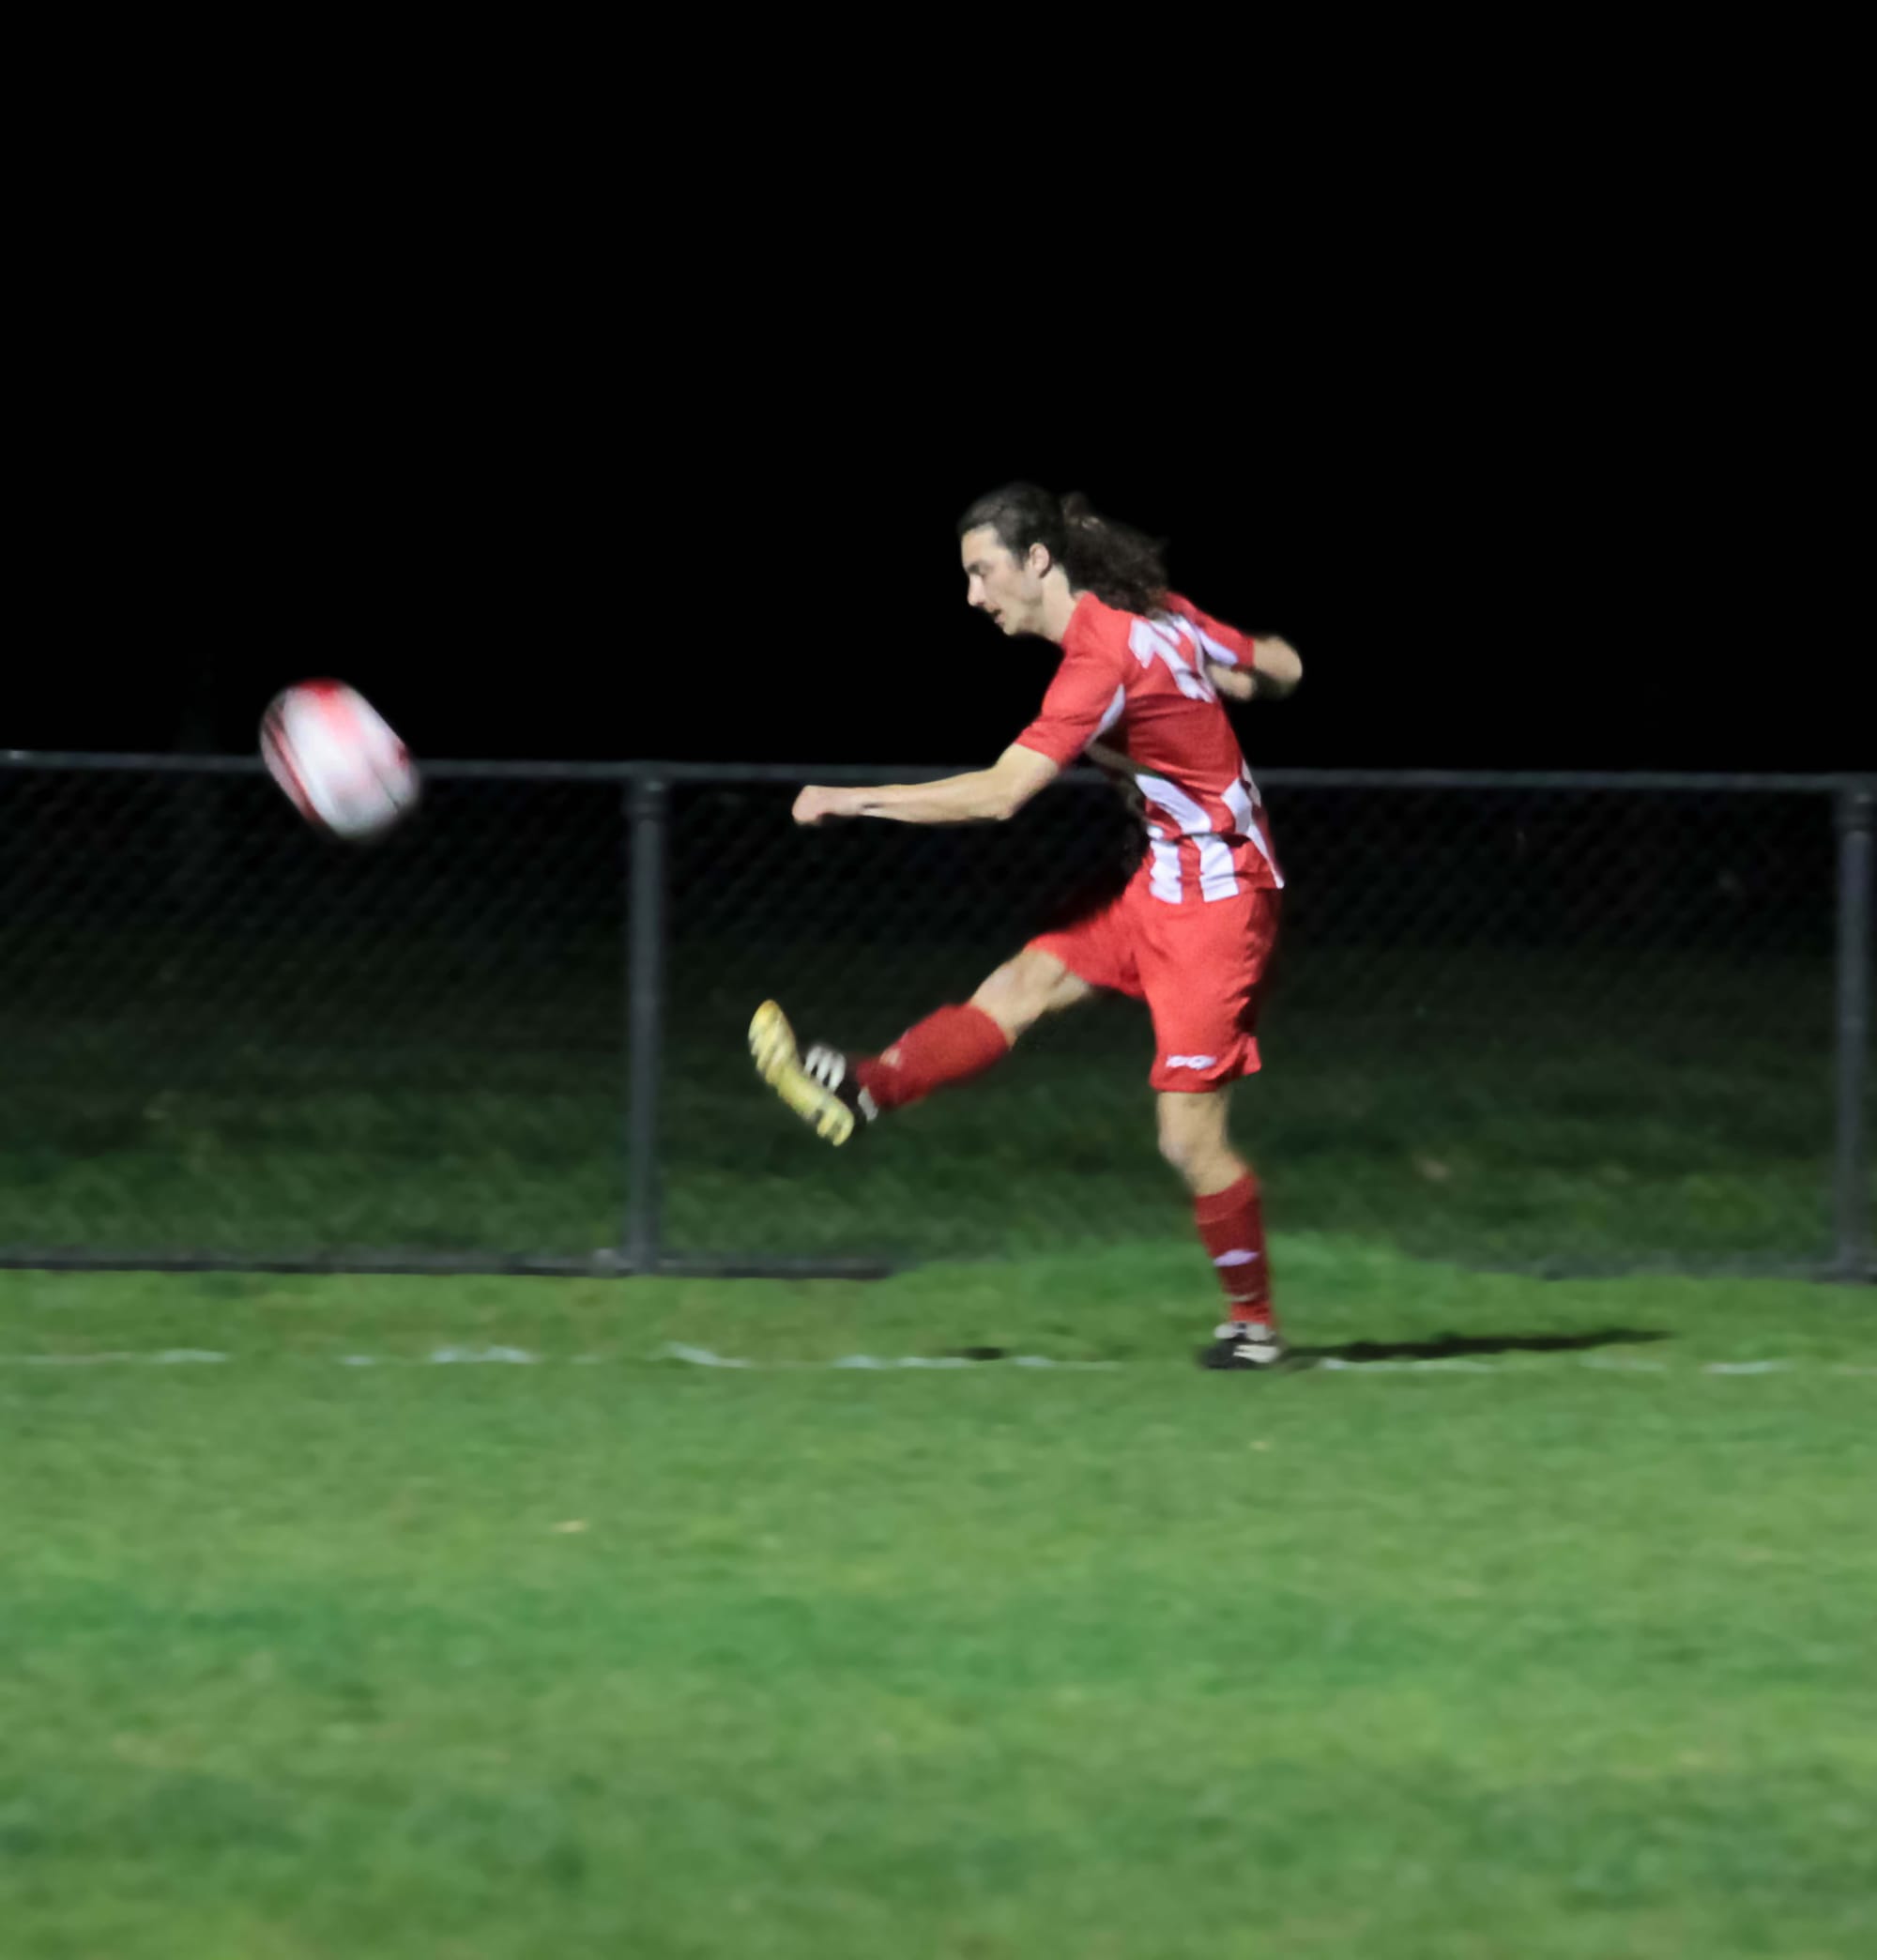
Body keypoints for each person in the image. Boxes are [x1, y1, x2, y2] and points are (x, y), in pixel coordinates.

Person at [750, 483, 1303, 1370]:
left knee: (1186, 1138)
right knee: (1023, 982)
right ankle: (866, 1089)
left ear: (1037, 561)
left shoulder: (1102, 658)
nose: (973, 596)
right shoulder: (1154, 615)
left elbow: (1003, 794)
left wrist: (851, 798)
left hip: (1221, 902)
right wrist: (1240, 673)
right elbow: (1279, 665)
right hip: (1163, 885)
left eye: (983, 572)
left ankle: (1257, 1328)